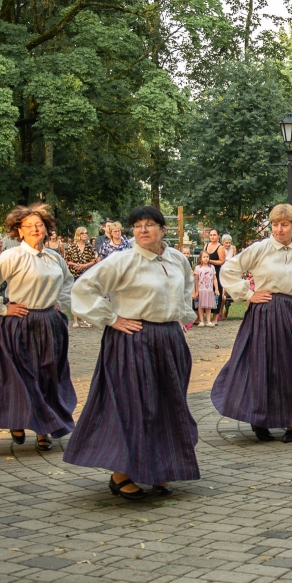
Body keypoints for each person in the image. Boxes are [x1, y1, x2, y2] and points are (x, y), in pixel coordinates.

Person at [67, 206, 198, 500]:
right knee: (134, 405)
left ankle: (160, 468)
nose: (142, 230)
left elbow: (186, 287)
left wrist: (180, 316)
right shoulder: (122, 260)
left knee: (167, 404)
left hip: (169, 340)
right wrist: (112, 318)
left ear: (163, 230)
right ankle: (121, 474)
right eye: (137, 226)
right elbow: (84, 289)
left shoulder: (177, 258)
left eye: (149, 224)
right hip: (132, 340)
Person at [212, 204, 292, 444]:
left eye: (284, 225)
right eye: (275, 224)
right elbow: (229, 269)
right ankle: (259, 419)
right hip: (264, 314)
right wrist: (249, 294)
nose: (279, 229)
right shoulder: (260, 249)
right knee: (261, 365)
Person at [0, 203, 76, 452]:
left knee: (46, 375)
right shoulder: (13, 256)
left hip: (49, 323)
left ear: (46, 229)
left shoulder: (54, 257)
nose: (35, 229)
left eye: (39, 225)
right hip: (18, 324)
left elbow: (68, 282)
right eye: (29, 226)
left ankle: (44, 428)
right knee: (20, 377)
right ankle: (18, 420)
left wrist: (59, 303)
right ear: (19, 231)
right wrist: (2, 308)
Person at [64, 226, 100, 328]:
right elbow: (67, 260)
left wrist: (84, 266)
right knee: (75, 296)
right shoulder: (72, 247)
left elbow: (94, 260)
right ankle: (75, 320)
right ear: (78, 234)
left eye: (86, 233)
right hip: (74, 274)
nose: (85, 235)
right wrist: (75, 265)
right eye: (83, 233)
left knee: (85, 297)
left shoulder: (89, 247)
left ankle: (84, 319)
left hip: (86, 275)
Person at [203, 228, 227, 321]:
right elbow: (203, 256)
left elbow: (222, 261)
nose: (212, 237)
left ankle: (215, 317)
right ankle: (205, 316)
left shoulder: (220, 247)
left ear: (218, 236)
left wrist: (210, 261)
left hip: (216, 272)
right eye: (211, 235)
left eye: (214, 235)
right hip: (206, 271)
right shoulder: (206, 245)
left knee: (217, 293)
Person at [193, 250, 219, 327]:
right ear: (200, 258)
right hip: (201, 289)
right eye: (204, 257)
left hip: (209, 290)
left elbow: (214, 278)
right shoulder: (198, 268)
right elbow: (196, 280)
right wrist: (196, 290)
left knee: (208, 305)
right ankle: (201, 321)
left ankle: (208, 321)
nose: (206, 258)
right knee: (200, 305)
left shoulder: (212, 267)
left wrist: (216, 289)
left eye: (207, 257)